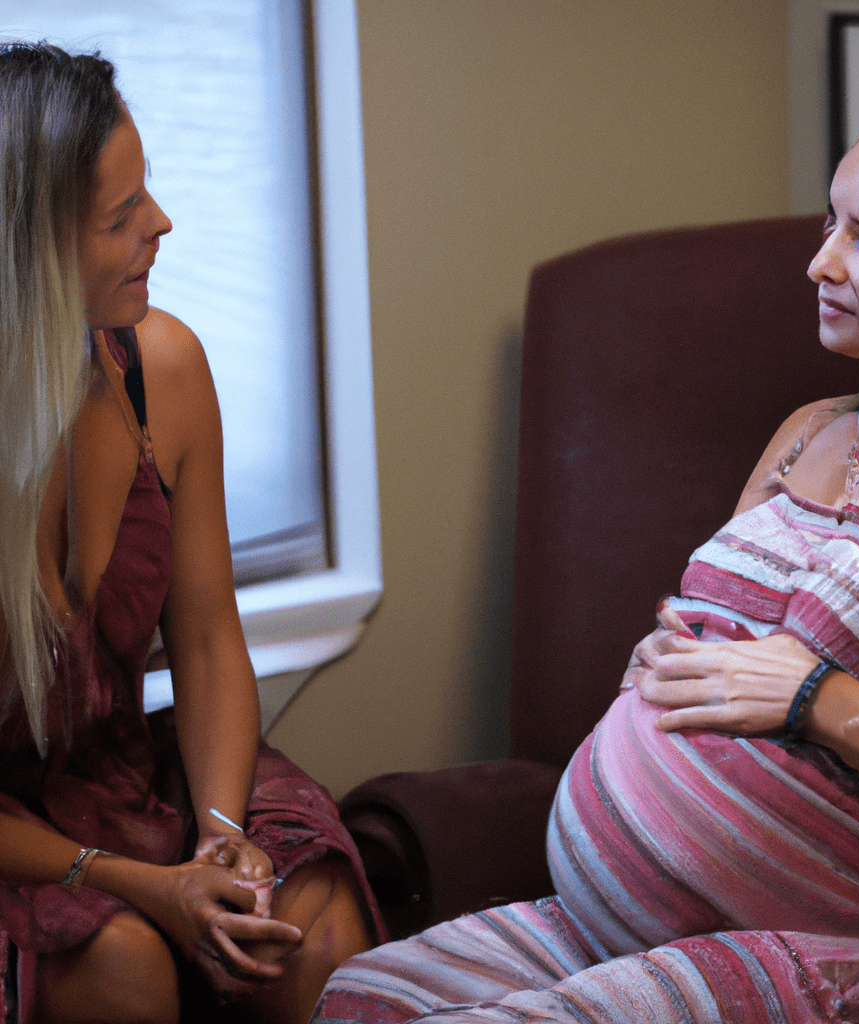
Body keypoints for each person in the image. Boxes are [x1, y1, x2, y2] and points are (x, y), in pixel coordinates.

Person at [313, 43, 859, 1024]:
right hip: (606, 914)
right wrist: (662, 656)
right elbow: (708, 634)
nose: (818, 261)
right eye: (829, 221)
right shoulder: (810, 431)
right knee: (359, 993)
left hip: (818, 949)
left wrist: (815, 697)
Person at [0, 43, 384, 1024]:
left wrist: (219, 829)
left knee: (311, 925)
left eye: (150, 196)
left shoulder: (158, 367)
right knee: (123, 962)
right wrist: (135, 883)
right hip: (16, 828)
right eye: (121, 217)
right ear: (25, 251)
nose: (160, 226)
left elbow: (209, 637)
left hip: (128, 768)